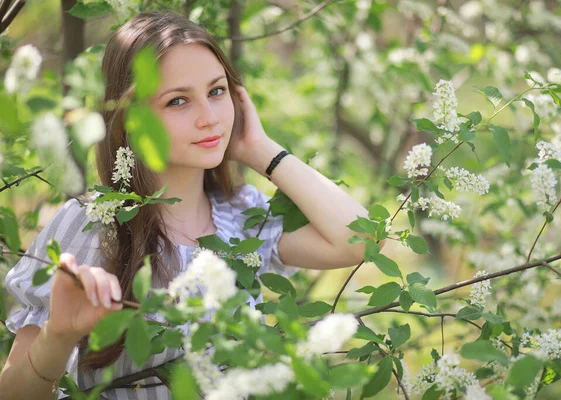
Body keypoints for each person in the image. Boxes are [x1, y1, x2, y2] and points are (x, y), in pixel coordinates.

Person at [0, 10, 382, 400]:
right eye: (178, 100)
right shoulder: (91, 224)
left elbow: (362, 239)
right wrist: (58, 337)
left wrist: (261, 150)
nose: (209, 118)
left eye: (217, 92)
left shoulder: (243, 217)